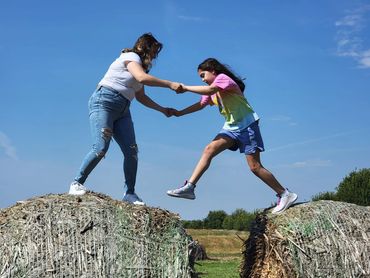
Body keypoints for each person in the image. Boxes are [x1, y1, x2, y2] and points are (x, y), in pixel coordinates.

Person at [166, 58, 297, 214]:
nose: (202, 80)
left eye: (203, 75)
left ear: (213, 71)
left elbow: (209, 90)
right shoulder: (212, 90)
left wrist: (185, 87)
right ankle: (190, 187)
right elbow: (201, 104)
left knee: (255, 167)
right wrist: (179, 113)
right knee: (209, 149)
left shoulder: (222, 79)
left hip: (247, 125)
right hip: (231, 127)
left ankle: (284, 193)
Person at [69, 33, 181, 205]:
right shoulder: (130, 57)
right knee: (101, 147)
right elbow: (142, 78)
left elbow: (141, 97)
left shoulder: (140, 69)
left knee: (132, 152)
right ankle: (76, 183)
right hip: (104, 101)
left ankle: (129, 193)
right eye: (153, 51)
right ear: (143, 47)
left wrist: (162, 110)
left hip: (123, 109)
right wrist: (170, 84)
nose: (154, 56)